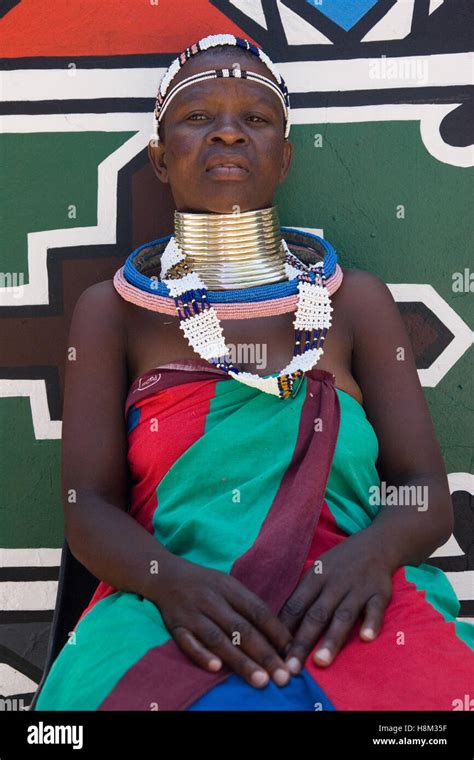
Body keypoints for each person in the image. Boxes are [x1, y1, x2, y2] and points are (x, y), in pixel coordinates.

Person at [32, 34, 473, 711]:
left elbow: (423, 495)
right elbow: (86, 508)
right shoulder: (114, 312)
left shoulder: (354, 302)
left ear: (285, 157)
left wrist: (368, 555)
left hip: (348, 596)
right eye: (199, 117)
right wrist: (171, 583)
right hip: (168, 604)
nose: (229, 135)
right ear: (159, 157)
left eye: (256, 120)